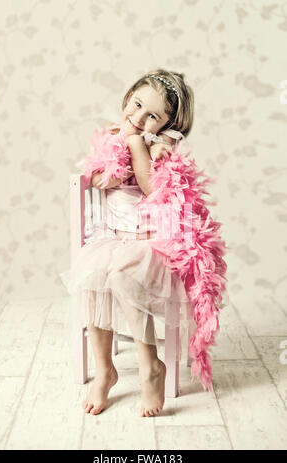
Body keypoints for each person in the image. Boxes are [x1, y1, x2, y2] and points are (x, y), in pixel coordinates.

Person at [60, 68, 195, 417]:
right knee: (95, 272)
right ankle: (105, 371)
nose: (137, 119)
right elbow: (100, 179)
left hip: (153, 246)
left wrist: (138, 145)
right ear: (127, 97)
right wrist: (110, 169)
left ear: (167, 124)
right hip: (114, 238)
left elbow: (152, 190)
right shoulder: (110, 138)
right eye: (136, 105)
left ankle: (151, 366)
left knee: (121, 272)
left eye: (152, 116)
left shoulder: (163, 148)